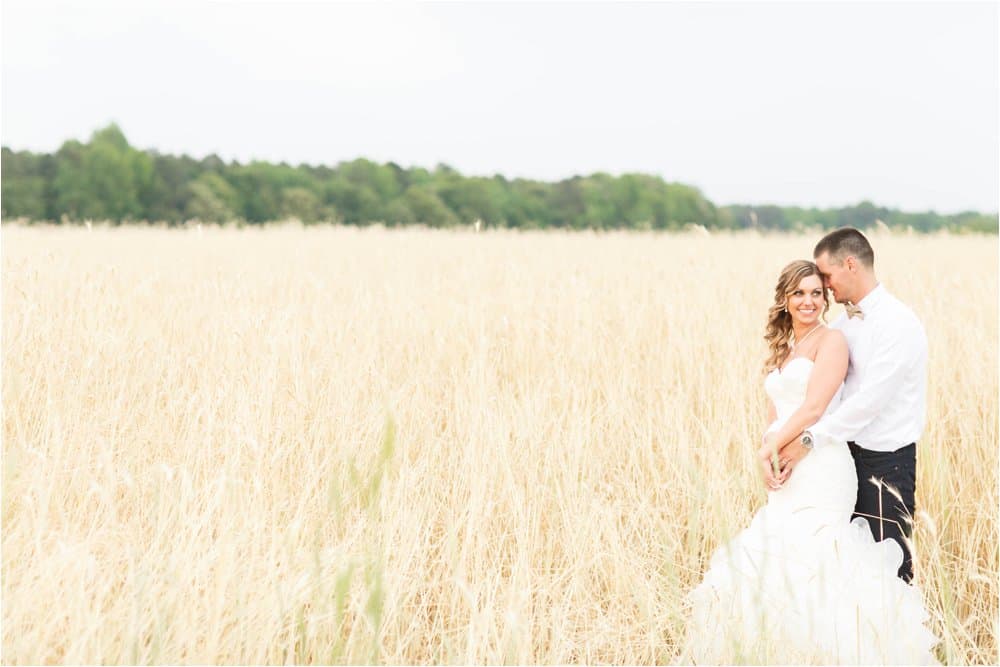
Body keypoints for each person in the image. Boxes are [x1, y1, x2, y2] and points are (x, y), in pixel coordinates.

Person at [683, 258, 938, 665]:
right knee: (776, 554)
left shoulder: (832, 340)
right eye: (799, 293)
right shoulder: (785, 349)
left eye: (817, 293)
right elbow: (775, 414)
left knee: (819, 555)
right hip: (788, 462)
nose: (809, 301)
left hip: (820, 466)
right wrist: (767, 451)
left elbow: (815, 407)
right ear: (784, 299)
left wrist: (772, 449)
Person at [772, 227, 927, 583]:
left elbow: (869, 401)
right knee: (846, 566)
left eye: (826, 275)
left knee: (890, 567)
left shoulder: (898, 323)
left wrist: (808, 440)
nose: (824, 286)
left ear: (850, 264)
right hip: (841, 460)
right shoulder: (842, 325)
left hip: (886, 462)